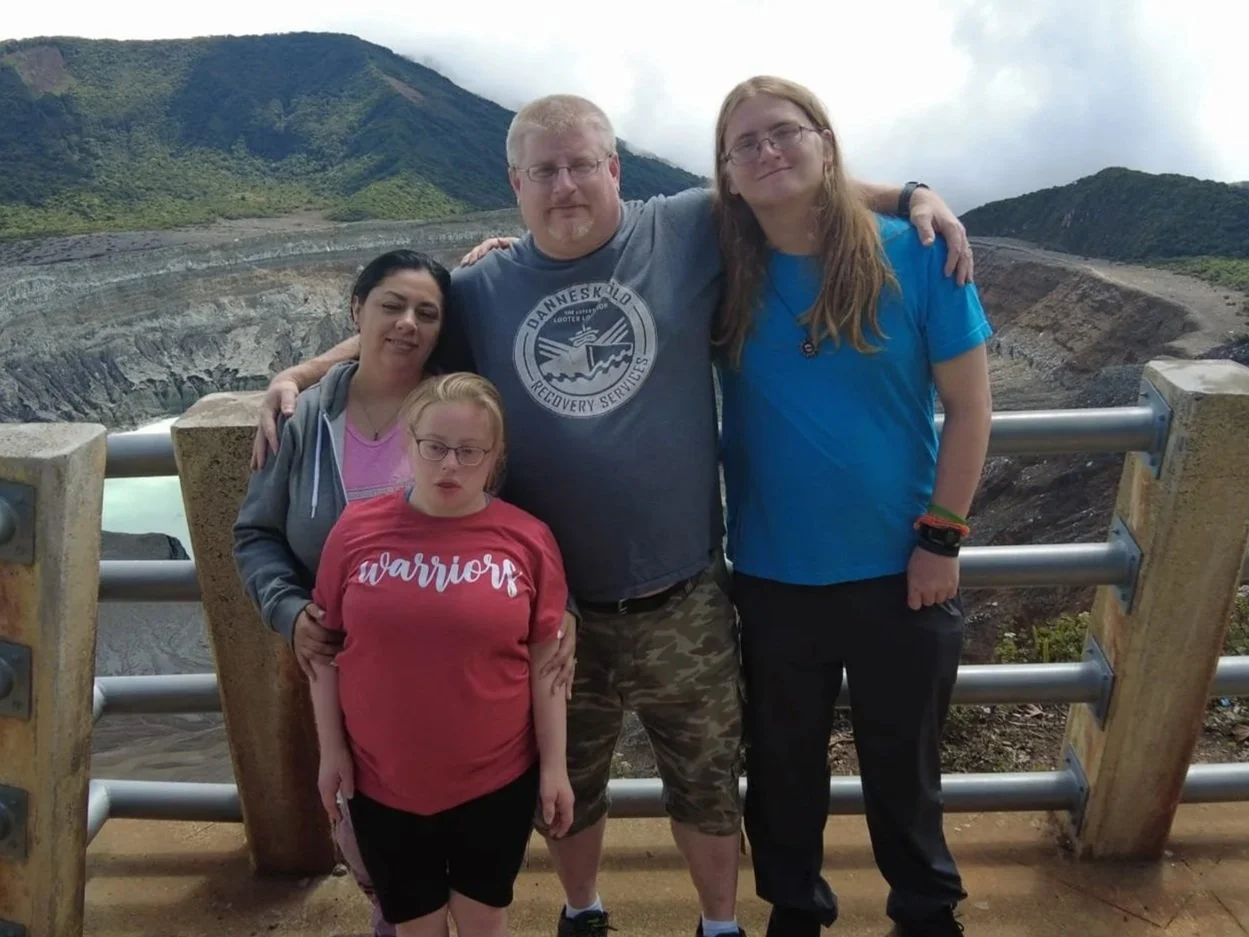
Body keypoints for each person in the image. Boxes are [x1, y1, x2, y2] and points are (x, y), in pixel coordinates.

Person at [249, 92, 974, 937]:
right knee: (573, 782)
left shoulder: (682, 227)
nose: (566, 185)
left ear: (614, 170)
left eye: (582, 164)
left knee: (709, 776)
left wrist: (913, 194)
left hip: (686, 592)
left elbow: (789, 179)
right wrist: (298, 374)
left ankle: (719, 922)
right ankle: (583, 912)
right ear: (515, 183)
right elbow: (401, 326)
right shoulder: (482, 288)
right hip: (555, 613)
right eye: (545, 171)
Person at [712, 76, 993, 937]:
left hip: (900, 569)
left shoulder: (916, 255)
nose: (767, 152)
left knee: (903, 769)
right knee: (782, 769)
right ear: (724, 173)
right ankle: (794, 909)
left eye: (784, 132)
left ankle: (924, 908)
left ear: (825, 142)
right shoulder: (718, 264)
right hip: (770, 575)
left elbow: (972, 410)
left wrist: (940, 540)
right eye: (745, 143)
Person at [232, 250, 575, 937]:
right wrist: (290, 610)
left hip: (466, 696)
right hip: (343, 670)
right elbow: (256, 535)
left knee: (470, 883)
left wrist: (553, 617)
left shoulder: (457, 415)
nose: (407, 323)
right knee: (383, 862)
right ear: (355, 311)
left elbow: (512, 548)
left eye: (427, 313)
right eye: (390, 305)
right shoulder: (303, 422)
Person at [309, 372, 574, 937]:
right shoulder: (356, 531)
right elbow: (326, 650)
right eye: (434, 447)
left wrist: (554, 768)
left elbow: (547, 666)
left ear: (495, 456)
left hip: (497, 779)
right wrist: (331, 752)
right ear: (408, 442)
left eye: (469, 451)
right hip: (381, 780)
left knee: (484, 922)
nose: (450, 465)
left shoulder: (528, 539)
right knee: (414, 927)